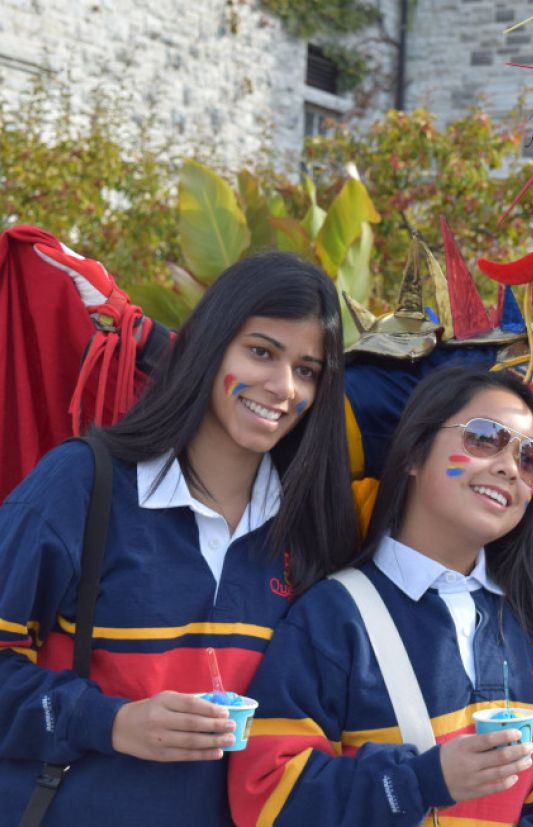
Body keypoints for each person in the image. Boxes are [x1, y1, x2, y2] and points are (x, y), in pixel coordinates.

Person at [0, 251, 356, 826]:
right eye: (261, 352)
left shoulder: (313, 528)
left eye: (308, 370)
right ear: (209, 346)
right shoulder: (84, 484)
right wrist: (110, 723)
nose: (282, 387)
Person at [228, 365, 533, 826]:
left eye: (529, 459)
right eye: (484, 437)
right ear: (414, 452)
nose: (509, 467)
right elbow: (267, 793)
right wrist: (418, 783)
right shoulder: (331, 618)